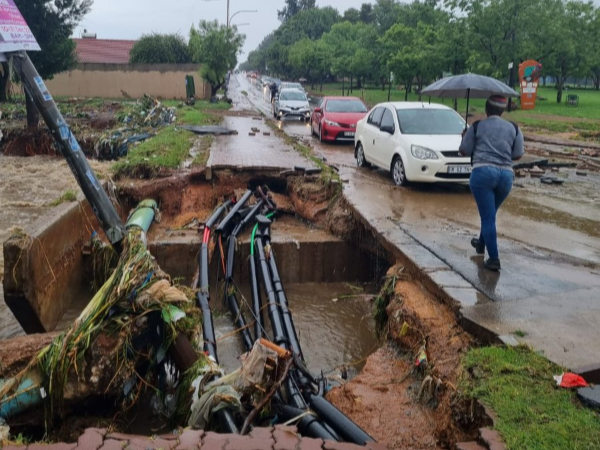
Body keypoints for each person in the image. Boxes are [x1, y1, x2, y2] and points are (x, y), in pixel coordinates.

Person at [459, 95, 524, 271]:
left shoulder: (477, 126)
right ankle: (481, 243)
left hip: (482, 174)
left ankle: (494, 258)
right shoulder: (514, 128)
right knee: (490, 214)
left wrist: (464, 136)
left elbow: (464, 151)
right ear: (502, 110)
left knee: (488, 217)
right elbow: (518, 155)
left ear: (486, 110)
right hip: (506, 176)